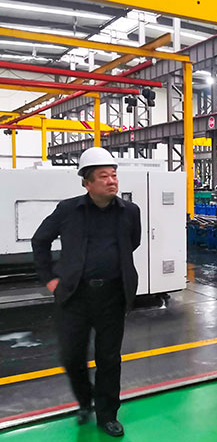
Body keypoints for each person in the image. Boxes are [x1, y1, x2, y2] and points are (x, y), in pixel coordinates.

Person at [31, 148, 141, 437]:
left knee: (109, 358)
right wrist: (50, 279)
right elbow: (40, 240)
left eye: (114, 175)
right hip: (74, 296)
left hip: (113, 296)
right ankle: (85, 400)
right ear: (87, 183)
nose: (111, 180)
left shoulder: (130, 211)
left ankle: (107, 415)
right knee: (71, 357)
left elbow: (133, 242)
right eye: (103, 176)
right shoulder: (68, 210)